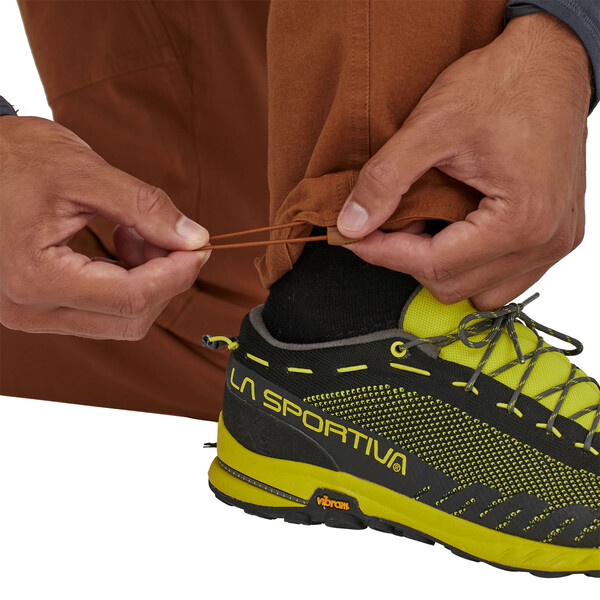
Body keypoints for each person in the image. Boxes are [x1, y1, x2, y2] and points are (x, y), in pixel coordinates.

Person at [1, 0, 598, 575]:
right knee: (257, 316)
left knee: (263, 331)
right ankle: (364, 315)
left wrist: (562, 34)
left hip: (237, 298)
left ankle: (342, 340)